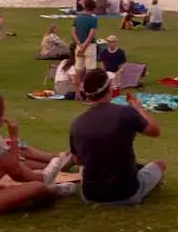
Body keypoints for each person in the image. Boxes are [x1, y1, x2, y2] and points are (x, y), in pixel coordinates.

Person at [70, 68, 166, 206]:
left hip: (90, 195)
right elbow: (155, 131)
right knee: (160, 165)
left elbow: (78, 160)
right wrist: (139, 109)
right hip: (126, 193)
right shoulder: (126, 113)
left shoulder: (77, 123)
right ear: (109, 89)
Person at [71, 0, 98, 100]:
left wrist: (80, 45)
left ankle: (77, 93)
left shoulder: (77, 18)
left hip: (79, 46)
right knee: (90, 72)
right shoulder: (93, 18)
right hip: (89, 46)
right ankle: (89, 94)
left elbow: (73, 33)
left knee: (78, 71)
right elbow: (91, 35)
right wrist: (85, 46)